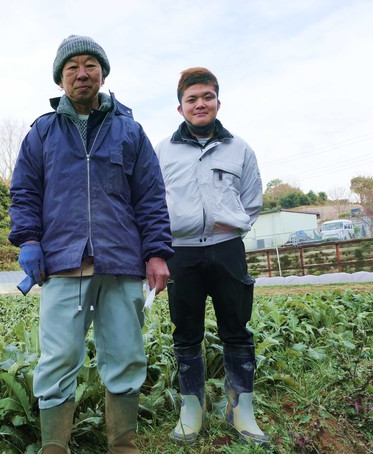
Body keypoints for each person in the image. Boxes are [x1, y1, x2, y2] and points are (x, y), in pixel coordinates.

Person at [8, 35, 173, 454]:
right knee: (59, 357)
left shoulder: (129, 130)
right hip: (64, 262)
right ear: (61, 78)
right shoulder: (42, 133)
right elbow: (24, 191)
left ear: (103, 72)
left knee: (125, 354)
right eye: (72, 68)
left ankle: (123, 444)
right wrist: (29, 239)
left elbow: (150, 196)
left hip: (121, 261)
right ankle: (54, 446)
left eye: (90, 65)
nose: (82, 74)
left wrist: (156, 252)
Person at [154, 67, 267, 445]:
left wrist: (229, 228)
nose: (200, 104)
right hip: (180, 253)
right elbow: (154, 202)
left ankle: (241, 409)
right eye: (192, 99)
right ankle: (192, 408)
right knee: (186, 332)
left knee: (238, 329)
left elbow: (251, 201)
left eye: (207, 97)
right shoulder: (163, 151)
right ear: (180, 107)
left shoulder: (240, 149)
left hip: (226, 250)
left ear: (218, 101)